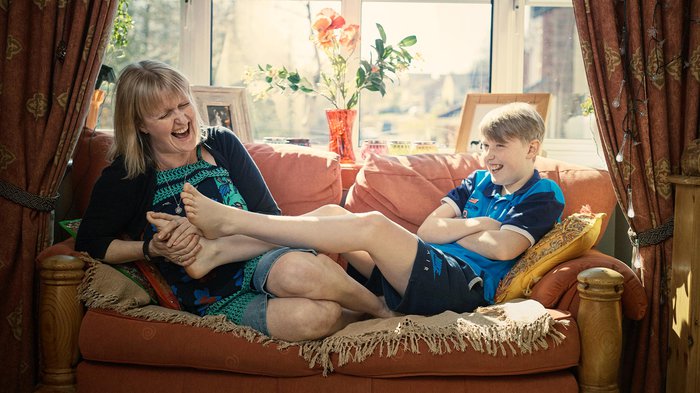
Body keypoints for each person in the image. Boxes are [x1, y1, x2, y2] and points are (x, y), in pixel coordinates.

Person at [75, 60, 395, 342]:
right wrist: (151, 249)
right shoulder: (128, 175)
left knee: (297, 268)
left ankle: (380, 308)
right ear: (141, 125)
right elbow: (91, 242)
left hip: (261, 257)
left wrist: (213, 234)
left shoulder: (220, 143)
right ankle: (364, 316)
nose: (181, 119)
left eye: (183, 105)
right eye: (164, 114)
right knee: (315, 318)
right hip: (212, 294)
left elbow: (269, 215)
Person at [156, 102, 566, 316]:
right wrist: (479, 223)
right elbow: (427, 231)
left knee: (370, 225)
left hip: (464, 286)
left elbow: (503, 249)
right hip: (430, 267)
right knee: (334, 214)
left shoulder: (543, 193)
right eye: (484, 145)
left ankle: (233, 224)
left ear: (531, 149)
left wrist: (458, 229)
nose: (488, 156)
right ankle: (220, 250)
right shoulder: (476, 182)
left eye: (500, 147)